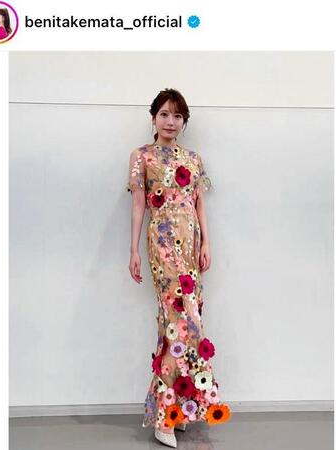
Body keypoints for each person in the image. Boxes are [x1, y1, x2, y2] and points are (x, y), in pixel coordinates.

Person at [127, 88, 231, 448]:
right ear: (153, 118)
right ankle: (164, 417)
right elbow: (138, 204)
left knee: (191, 321)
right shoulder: (141, 156)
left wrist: (206, 243)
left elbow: (200, 204)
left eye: (177, 116)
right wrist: (133, 250)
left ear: (184, 122)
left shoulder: (193, 159)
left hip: (191, 244)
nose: (171, 122)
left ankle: (179, 409)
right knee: (175, 321)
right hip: (162, 244)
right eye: (164, 115)